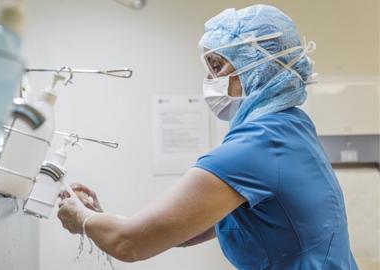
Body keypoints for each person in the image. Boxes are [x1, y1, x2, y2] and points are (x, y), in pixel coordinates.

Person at [57, 4, 358, 269]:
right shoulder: (291, 127)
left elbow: (130, 243)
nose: (210, 80)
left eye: (217, 66)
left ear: (256, 67)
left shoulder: (255, 148)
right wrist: (98, 218)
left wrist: (82, 219)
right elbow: (176, 232)